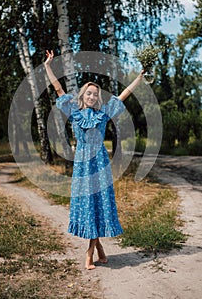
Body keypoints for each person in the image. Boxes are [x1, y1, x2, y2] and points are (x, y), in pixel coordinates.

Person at [44, 50, 144, 270]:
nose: (92, 97)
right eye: (89, 93)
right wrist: (48, 66)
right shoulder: (74, 111)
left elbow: (123, 95)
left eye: (95, 94)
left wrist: (139, 76)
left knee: (99, 204)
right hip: (82, 164)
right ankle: (98, 248)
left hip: (100, 162)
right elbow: (58, 88)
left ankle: (89, 253)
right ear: (83, 95)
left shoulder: (103, 114)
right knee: (88, 205)